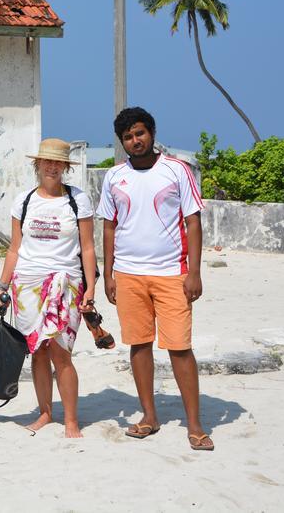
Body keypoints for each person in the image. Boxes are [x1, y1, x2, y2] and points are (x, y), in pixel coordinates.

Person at [97, 107, 214, 451]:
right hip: (129, 275)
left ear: (151, 133)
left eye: (140, 133)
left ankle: (195, 425)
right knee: (139, 344)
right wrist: (109, 273)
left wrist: (194, 272)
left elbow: (193, 222)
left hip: (172, 275)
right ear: (122, 142)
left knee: (180, 348)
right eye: (128, 137)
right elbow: (109, 225)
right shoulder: (114, 177)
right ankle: (149, 416)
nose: (136, 141)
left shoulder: (176, 170)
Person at [0, 138, 98, 438]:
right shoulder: (23, 201)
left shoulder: (78, 200)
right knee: (37, 352)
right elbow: (15, 248)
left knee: (61, 352)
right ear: (37, 165)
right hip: (26, 285)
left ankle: (71, 421)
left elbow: (89, 248)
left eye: (58, 162)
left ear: (66, 166)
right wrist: (2, 285)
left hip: (65, 283)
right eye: (47, 161)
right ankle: (44, 413)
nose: (52, 167)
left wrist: (90, 289)